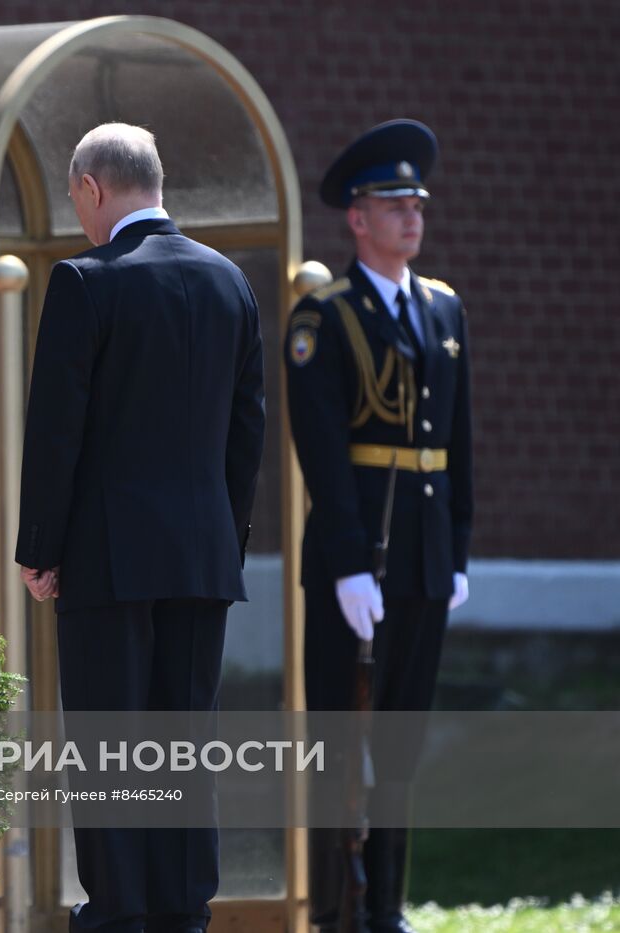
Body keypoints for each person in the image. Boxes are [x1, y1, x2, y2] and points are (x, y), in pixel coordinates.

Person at [15, 123, 266, 933]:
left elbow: (58, 429)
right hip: (202, 558)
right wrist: (225, 542)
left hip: (109, 560)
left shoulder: (86, 281)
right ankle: (182, 912)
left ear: (92, 188)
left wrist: (41, 550)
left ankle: (120, 914)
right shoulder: (233, 283)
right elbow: (245, 434)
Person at [284, 119, 473, 933]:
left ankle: (387, 906)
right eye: (393, 203)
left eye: (416, 202)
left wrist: (457, 551)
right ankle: (338, 907)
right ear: (356, 218)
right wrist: (350, 562)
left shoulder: (443, 308)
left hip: (424, 557)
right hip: (355, 560)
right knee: (340, 741)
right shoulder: (324, 318)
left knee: (398, 745)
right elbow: (323, 451)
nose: (411, 216)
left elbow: (459, 442)